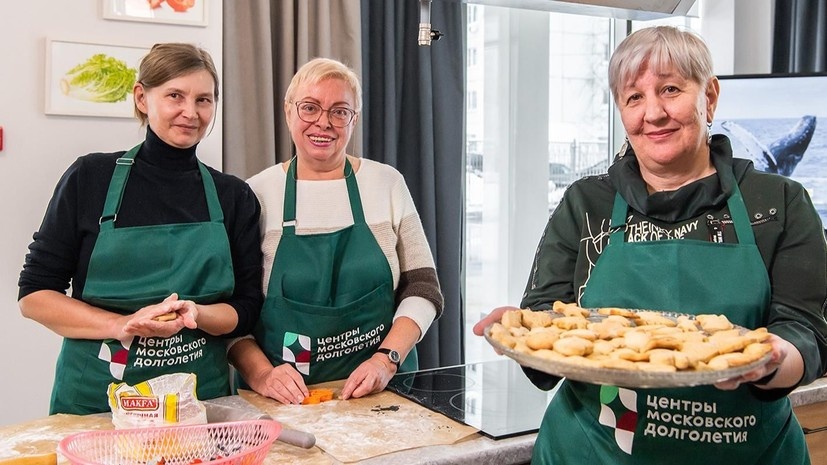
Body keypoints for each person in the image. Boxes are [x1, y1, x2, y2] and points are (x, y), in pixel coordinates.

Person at [474, 26, 827, 464]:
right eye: (634, 97)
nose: (653, 113)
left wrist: (772, 358)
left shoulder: (778, 203)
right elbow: (548, 318)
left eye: (671, 89)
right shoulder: (586, 202)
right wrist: (523, 331)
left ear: (710, 97)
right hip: (591, 453)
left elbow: (806, 332)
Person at [18, 43, 263, 415]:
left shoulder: (233, 196)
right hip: (97, 403)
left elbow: (245, 308)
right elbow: (35, 295)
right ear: (142, 98)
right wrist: (122, 324)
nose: (190, 112)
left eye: (204, 100)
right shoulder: (90, 178)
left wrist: (195, 313)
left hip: (199, 404)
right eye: (175, 96)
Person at [228, 57, 443, 405]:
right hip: (284, 402)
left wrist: (386, 359)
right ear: (288, 111)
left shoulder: (386, 183)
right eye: (309, 108)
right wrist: (262, 374)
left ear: (354, 119)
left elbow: (424, 287)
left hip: (383, 393)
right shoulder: (255, 194)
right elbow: (233, 312)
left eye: (340, 111)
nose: (323, 123)